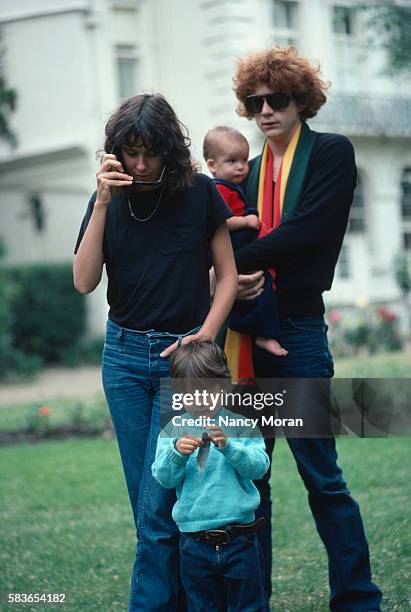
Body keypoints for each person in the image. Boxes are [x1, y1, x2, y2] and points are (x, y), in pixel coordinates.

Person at [226, 46, 383, 611]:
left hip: (296, 331)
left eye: (278, 99)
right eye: (255, 101)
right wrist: (230, 272)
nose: (265, 110)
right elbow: (227, 231)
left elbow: (308, 231)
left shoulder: (331, 153)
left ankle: (359, 599)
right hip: (245, 334)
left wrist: (235, 267)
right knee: (249, 483)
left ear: (301, 101)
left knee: (322, 476)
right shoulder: (247, 169)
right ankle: (254, 601)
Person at [73, 93, 237, 612]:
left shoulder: (201, 194)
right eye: (130, 152)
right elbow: (83, 282)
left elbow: (228, 277)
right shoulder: (107, 198)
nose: (141, 164)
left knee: (159, 508)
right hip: (122, 360)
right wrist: (101, 200)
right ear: (115, 152)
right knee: (149, 504)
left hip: (181, 363)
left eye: (151, 152)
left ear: (170, 148)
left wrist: (206, 335)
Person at [152, 341, 270, 612]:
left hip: (240, 538)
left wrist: (229, 447)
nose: (201, 402)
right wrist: (175, 453)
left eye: (208, 393)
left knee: (249, 606)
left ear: (223, 387)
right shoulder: (173, 430)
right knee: (202, 606)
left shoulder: (241, 425)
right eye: (191, 395)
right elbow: (163, 478)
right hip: (194, 542)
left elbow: (259, 467)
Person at [203, 125, 287, 358]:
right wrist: (247, 221)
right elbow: (218, 223)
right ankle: (263, 334)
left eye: (243, 159)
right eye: (231, 161)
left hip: (239, 245)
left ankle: (260, 332)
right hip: (232, 245)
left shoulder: (233, 186)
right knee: (258, 289)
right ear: (212, 165)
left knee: (257, 288)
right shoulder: (217, 189)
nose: (241, 166)